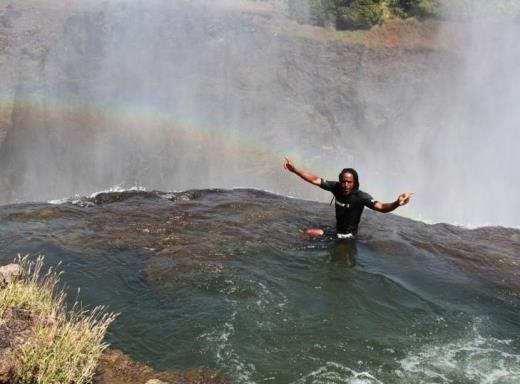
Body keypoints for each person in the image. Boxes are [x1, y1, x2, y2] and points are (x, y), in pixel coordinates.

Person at [283, 157, 413, 239]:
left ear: (355, 182)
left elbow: (382, 207)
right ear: (340, 181)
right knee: (306, 233)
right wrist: (295, 170)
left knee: (309, 232)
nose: (346, 185)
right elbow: (315, 180)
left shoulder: (361, 197)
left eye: (349, 182)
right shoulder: (336, 187)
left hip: (349, 236)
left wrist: (397, 203)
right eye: (344, 181)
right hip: (337, 231)